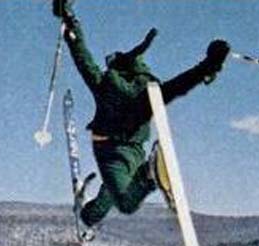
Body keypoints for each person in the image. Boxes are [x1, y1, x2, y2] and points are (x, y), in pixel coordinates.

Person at [59, 6, 230, 230]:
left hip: (110, 150)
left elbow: (83, 58)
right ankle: (96, 213)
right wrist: (210, 64)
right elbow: (183, 82)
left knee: (127, 203)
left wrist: (71, 24)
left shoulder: (105, 84)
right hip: (136, 151)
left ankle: (146, 177)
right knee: (114, 189)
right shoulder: (151, 93)